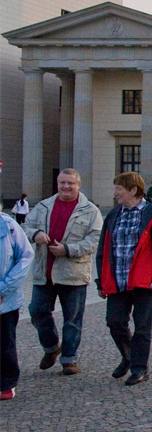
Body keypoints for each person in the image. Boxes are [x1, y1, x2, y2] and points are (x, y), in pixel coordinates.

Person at [95, 172, 152, 386]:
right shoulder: (113, 215)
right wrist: (101, 281)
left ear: (132, 190)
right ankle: (129, 356)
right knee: (114, 321)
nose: (115, 193)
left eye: (118, 189)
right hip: (118, 278)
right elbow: (104, 248)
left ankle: (139, 368)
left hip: (143, 279)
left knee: (142, 326)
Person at [22, 168, 103, 375]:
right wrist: (36, 233)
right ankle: (51, 347)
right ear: (57, 184)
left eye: (70, 183)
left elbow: (94, 241)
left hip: (73, 274)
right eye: (62, 183)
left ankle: (69, 359)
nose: (66, 187)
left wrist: (67, 250)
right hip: (45, 272)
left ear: (78, 185)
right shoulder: (43, 206)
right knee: (37, 311)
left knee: (72, 319)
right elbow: (26, 227)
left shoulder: (90, 210)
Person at [1, 203, 35, 400]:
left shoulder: (8, 226)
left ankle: (7, 382)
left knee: (5, 341)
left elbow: (25, 257)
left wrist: (5, 287)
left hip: (5, 298)